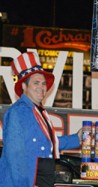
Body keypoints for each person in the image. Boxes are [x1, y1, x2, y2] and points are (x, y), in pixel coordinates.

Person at [0, 52, 82, 187]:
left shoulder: (38, 111)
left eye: (43, 83)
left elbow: (45, 145)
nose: (41, 87)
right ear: (24, 86)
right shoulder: (18, 111)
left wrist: (77, 139)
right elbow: (15, 156)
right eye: (36, 83)